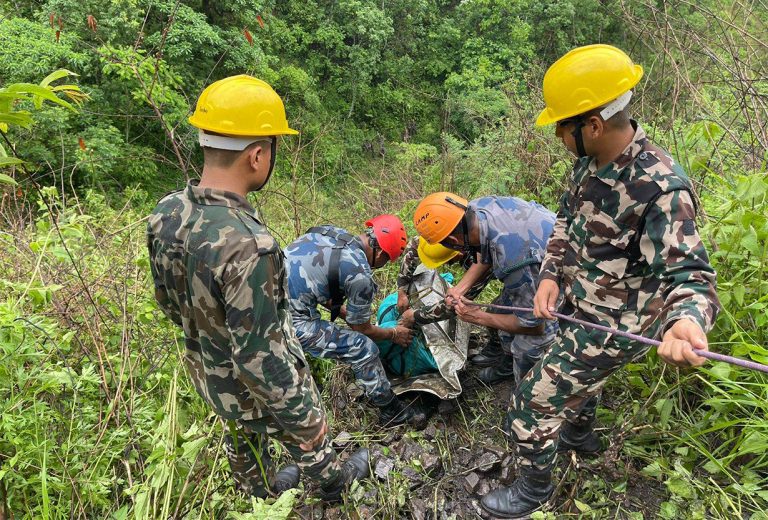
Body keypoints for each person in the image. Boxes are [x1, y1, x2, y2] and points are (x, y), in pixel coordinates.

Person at [480, 44, 721, 518]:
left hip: (617, 322)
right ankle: (580, 435)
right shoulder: (590, 162)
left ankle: (533, 491)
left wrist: (687, 322)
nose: (556, 135)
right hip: (580, 305)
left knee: (531, 402)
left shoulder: (660, 187)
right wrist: (551, 276)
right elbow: (566, 222)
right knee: (579, 378)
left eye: (560, 126)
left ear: (591, 125)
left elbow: (690, 274)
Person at [147, 75, 368, 502]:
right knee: (305, 438)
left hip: (206, 368)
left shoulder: (167, 211)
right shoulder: (251, 246)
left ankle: (259, 492)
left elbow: (168, 300)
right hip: (256, 380)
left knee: (240, 432)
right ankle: (334, 487)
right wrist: (306, 420)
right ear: (257, 155)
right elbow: (259, 356)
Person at [284, 216, 427, 428]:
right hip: (286, 321)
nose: (382, 265)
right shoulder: (360, 276)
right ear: (379, 253)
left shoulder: (328, 233)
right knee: (363, 348)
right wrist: (394, 334)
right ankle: (392, 411)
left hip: (263, 297)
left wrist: (348, 315)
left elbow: (319, 286)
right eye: (386, 260)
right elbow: (363, 329)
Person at [410, 192, 558, 385]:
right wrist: (460, 288)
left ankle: (529, 394)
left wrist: (478, 317)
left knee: (526, 348)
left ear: (454, 243)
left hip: (563, 275)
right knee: (498, 311)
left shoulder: (515, 261)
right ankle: (506, 365)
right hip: (541, 254)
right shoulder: (475, 210)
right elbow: (485, 248)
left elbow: (534, 325)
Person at [396, 236, 503, 367]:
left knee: (498, 313)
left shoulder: (485, 258)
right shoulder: (442, 233)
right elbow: (414, 245)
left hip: (525, 272)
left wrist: (415, 316)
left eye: (448, 261)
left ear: (459, 252)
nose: (446, 264)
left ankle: (505, 352)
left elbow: (455, 305)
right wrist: (402, 289)